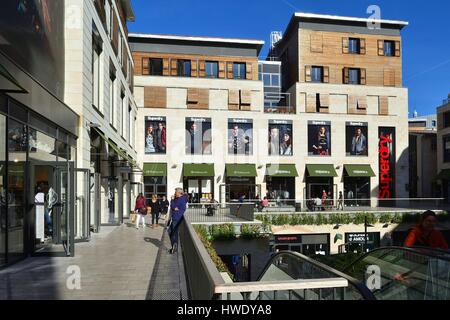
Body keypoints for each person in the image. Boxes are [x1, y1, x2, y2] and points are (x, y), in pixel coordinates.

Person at [168, 188, 189, 254]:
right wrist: (173, 203)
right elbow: (173, 207)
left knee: (173, 232)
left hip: (177, 218)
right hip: (175, 218)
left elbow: (173, 206)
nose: (174, 193)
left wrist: (172, 201)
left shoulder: (181, 200)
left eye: (176, 192)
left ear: (179, 193)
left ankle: (174, 245)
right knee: (171, 232)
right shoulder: (178, 199)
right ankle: (174, 245)